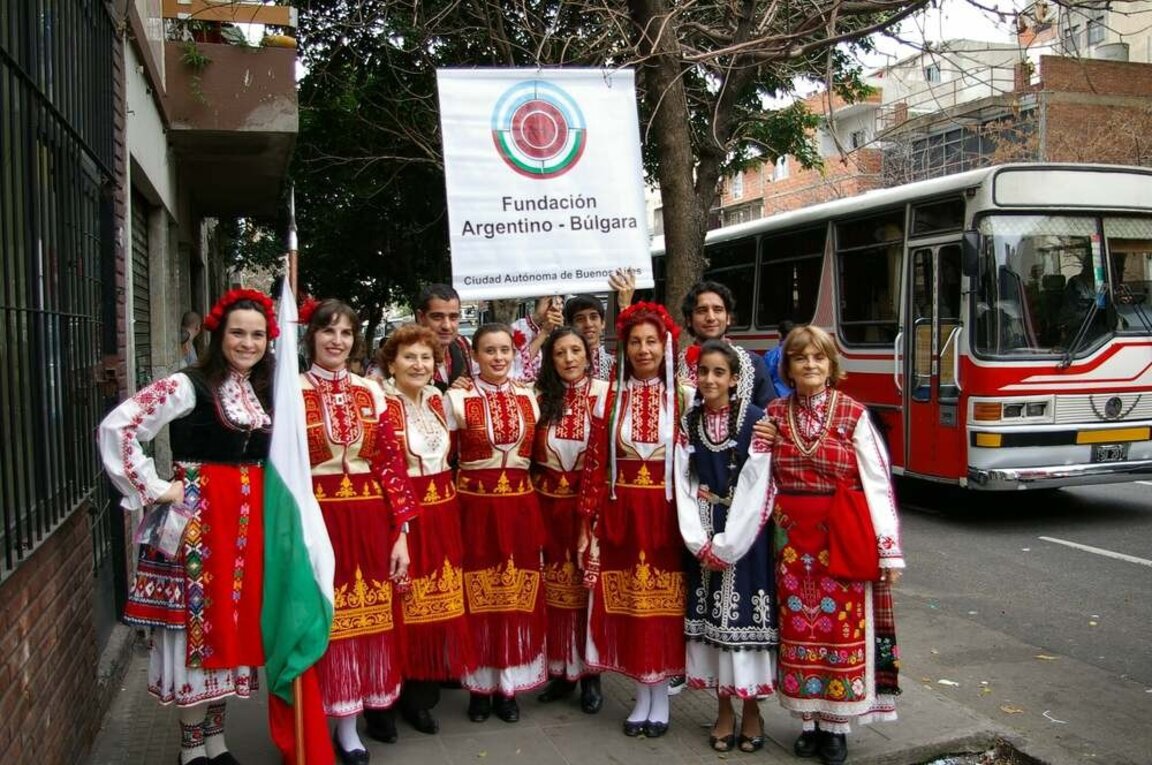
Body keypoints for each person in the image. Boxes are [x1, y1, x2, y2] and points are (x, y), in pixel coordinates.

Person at [99, 288, 278, 765]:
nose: (247, 342)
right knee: (195, 628)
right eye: (238, 332)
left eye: (257, 334)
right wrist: (155, 487)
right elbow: (120, 425)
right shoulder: (187, 384)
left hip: (242, 529)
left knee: (229, 627)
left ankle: (217, 742)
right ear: (217, 335)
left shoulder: (260, 390)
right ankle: (191, 748)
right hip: (198, 526)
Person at [764, 324, 904, 765]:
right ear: (787, 366)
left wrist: (888, 550)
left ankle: (836, 725)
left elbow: (878, 483)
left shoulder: (853, 415)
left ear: (831, 365)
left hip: (839, 539)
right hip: (789, 544)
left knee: (839, 628)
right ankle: (807, 721)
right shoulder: (772, 414)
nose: (809, 364)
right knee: (797, 627)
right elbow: (758, 480)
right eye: (800, 357)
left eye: (818, 357)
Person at [299, 299, 420, 764]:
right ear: (312, 336)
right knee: (323, 620)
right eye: (328, 331)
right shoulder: (290, 391)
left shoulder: (371, 393)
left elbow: (392, 465)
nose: (337, 341)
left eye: (346, 333)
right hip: (317, 519)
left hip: (369, 519)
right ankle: (314, 720)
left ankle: (350, 726)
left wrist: (401, 534)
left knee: (365, 622)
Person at [578, 302, 688, 738]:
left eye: (652, 341)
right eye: (635, 342)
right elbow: (594, 462)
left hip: (666, 515)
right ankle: (642, 695)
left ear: (666, 345)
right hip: (622, 512)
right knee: (630, 605)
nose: (644, 350)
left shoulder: (684, 394)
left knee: (664, 606)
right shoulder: (609, 394)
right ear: (623, 347)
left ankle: (660, 696)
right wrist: (589, 521)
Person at [375, 324, 479, 739]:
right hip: (402, 515)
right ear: (391, 363)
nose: (418, 365)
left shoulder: (439, 400)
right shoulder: (380, 402)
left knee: (436, 610)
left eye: (426, 358)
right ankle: (384, 703)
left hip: (444, 513)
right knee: (399, 608)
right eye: (409, 357)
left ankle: (422, 698)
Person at [674, 339, 777, 753]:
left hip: (746, 534)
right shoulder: (689, 422)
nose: (710, 379)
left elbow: (759, 484)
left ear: (735, 379)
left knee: (745, 624)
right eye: (704, 372)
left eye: (720, 372)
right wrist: (698, 540)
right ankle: (722, 710)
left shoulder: (756, 421)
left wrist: (730, 543)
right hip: (703, 530)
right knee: (712, 627)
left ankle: (751, 710)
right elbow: (683, 479)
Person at [446, 323, 547, 724]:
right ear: (475, 355)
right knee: (476, 598)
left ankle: (509, 685)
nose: (499, 358)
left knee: (514, 598)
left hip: (521, 509)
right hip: (474, 510)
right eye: (490, 350)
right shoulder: (455, 398)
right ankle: (478, 687)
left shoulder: (530, 397)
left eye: (505, 349)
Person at [532, 327, 611, 714]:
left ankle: (591, 676)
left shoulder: (604, 394)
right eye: (560, 352)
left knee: (586, 590)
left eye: (575, 350)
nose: (569, 359)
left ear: (587, 354)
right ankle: (560, 672)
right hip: (547, 506)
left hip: (587, 507)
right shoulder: (538, 397)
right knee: (552, 591)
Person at [677, 281, 773, 409]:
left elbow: (770, 415)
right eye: (702, 310)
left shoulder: (752, 364)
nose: (711, 317)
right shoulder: (674, 367)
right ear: (689, 320)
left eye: (718, 310)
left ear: (728, 318)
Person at [563, 268, 637, 381]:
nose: (588, 324)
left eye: (593, 317)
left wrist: (625, 306)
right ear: (570, 325)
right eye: (580, 319)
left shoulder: (614, 362)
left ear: (603, 323)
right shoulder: (563, 364)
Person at [415, 284, 475, 390]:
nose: (446, 326)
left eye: (453, 317)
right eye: (437, 317)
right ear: (421, 317)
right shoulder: (404, 354)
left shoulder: (463, 344)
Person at [510, 295, 564, 383]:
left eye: (560, 303)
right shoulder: (522, 329)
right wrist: (537, 320)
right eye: (550, 302)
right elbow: (518, 364)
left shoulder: (563, 331)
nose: (555, 307)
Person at [763, 320, 796, 398]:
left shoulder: (771, 355)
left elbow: (765, 378)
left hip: (778, 398)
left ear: (779, 334)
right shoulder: (801, 353)